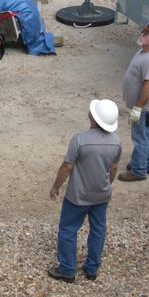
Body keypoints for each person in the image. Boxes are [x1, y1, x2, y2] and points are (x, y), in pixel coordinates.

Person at [47, 99, 122, 283]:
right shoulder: (116, 142)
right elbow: (113, 169)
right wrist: (107, 184)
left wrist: (56, 186)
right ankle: (92, 268)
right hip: (101, 195)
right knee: (98, 230)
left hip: (78, 196)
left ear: (95, 119)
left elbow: (67, 167)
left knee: (68, 229)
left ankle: (67, 269)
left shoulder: (80, 140)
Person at [117, 21, 149, 182]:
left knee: (140, 137)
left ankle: (139, 170)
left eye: (147, 34)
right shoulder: (144, 51)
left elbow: (148, 86)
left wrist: (138, 108)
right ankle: (147, 164)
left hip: (145, 107)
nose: (142, 34)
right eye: (144, 31)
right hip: (147, 107)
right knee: (148, 134)